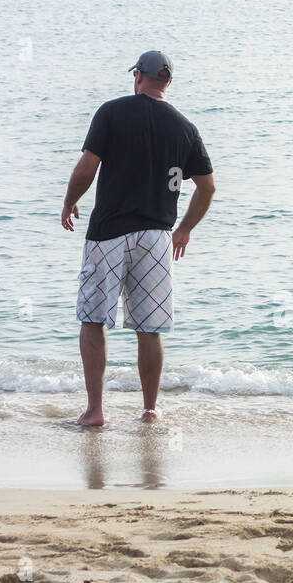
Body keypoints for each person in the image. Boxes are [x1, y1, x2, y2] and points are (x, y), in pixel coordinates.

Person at [61, 50, 215, 427]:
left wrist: (69, 203)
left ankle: (96, 410)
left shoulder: (112, 112)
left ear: (137, 77)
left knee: (94, 319)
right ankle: (149, 410)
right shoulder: (185, 128)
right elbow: (207, 187)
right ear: (168, 82)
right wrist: (185, 229)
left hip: (109, 233)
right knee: (150, 328)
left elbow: (86, 168)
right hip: (158, 237)